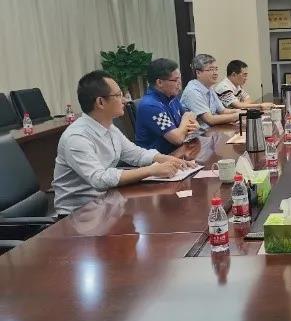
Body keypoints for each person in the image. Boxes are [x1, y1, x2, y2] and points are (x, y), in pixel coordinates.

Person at [53, 71, 195, 216]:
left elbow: (136, 154)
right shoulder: (76, 137)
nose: (125, 100)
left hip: (106, 203)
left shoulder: (109, 127)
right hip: (78, 214)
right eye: (118, 95)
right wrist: (151, 170)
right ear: (100, 102)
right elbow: (99, 179)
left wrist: (168, 159)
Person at [135, 58, 199, 154]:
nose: (179, 83)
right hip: (157, 158)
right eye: (175, 80)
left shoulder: (171, 97)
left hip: (177, 151)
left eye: (180, 78)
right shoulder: (150, 106)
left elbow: (191, 117)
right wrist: (186, 119)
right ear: (159, 82)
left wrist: (193, 125)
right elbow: (177, 139)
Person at [180, 54, 239, 129]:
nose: (215, 73)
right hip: (198, 134)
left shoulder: (209, 88)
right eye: (211, 69)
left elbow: (223, 111)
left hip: (210, 131)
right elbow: (210, 120)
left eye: (216, 69)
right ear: (198, 73)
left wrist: (241, 112)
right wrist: (237, 116)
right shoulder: (192, 91)